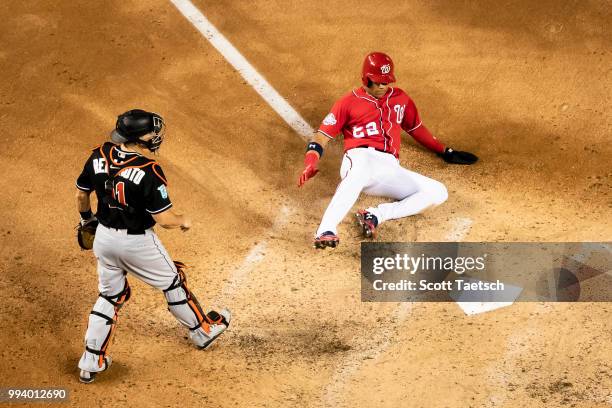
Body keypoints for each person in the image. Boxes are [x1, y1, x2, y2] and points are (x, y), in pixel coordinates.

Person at [75, 109, 230, 383]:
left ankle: (90, 361)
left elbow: (81, 194)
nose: (155, 136)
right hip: (137, 243)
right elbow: (164, 219)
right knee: (173, 282)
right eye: (150, 132)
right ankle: (203, 331)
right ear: (139, 137)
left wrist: (87, 220)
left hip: (105, 240)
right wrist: (183, 220)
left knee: (110, 296)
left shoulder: (98, 154)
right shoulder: (149, 170)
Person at [298, 52, 478, 249]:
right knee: (358, 174)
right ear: (366, 79)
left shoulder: (400, 98)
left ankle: (376, 214)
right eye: (378, 82)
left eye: (386, 81)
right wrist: (311, 162)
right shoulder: (347, 103)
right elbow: (322, 135)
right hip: (360, 157)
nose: (383, 86)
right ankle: (326, 229)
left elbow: (416, 128)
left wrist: (445, 151)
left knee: (438, 192)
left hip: (389, 167)